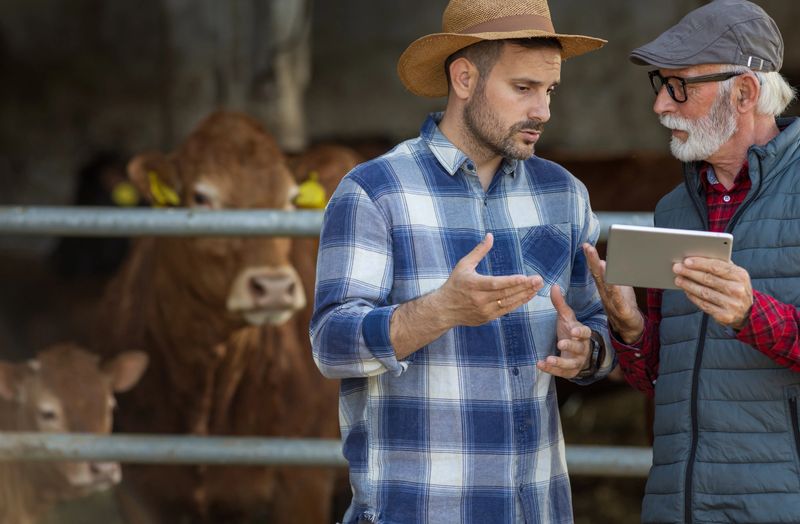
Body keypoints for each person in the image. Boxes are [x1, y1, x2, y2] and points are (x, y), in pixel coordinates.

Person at [310, 0, 615, 522]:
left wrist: (588, 351)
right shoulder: (375, 191)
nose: (542, 110)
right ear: (465, 78)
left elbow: (596, 328)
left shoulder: (564, 195)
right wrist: (441, 311)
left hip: (535, 508)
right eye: (523, 88)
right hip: (419, 508)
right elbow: (330, 346)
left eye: (549, 90)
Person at [583, 1, 800, 522]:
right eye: (661, 84)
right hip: (676, 505)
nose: (661, 105)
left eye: (681, 86)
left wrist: (754, 314)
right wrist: (631, 330)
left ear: (745, 92)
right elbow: (660, 379)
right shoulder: (675, 208)